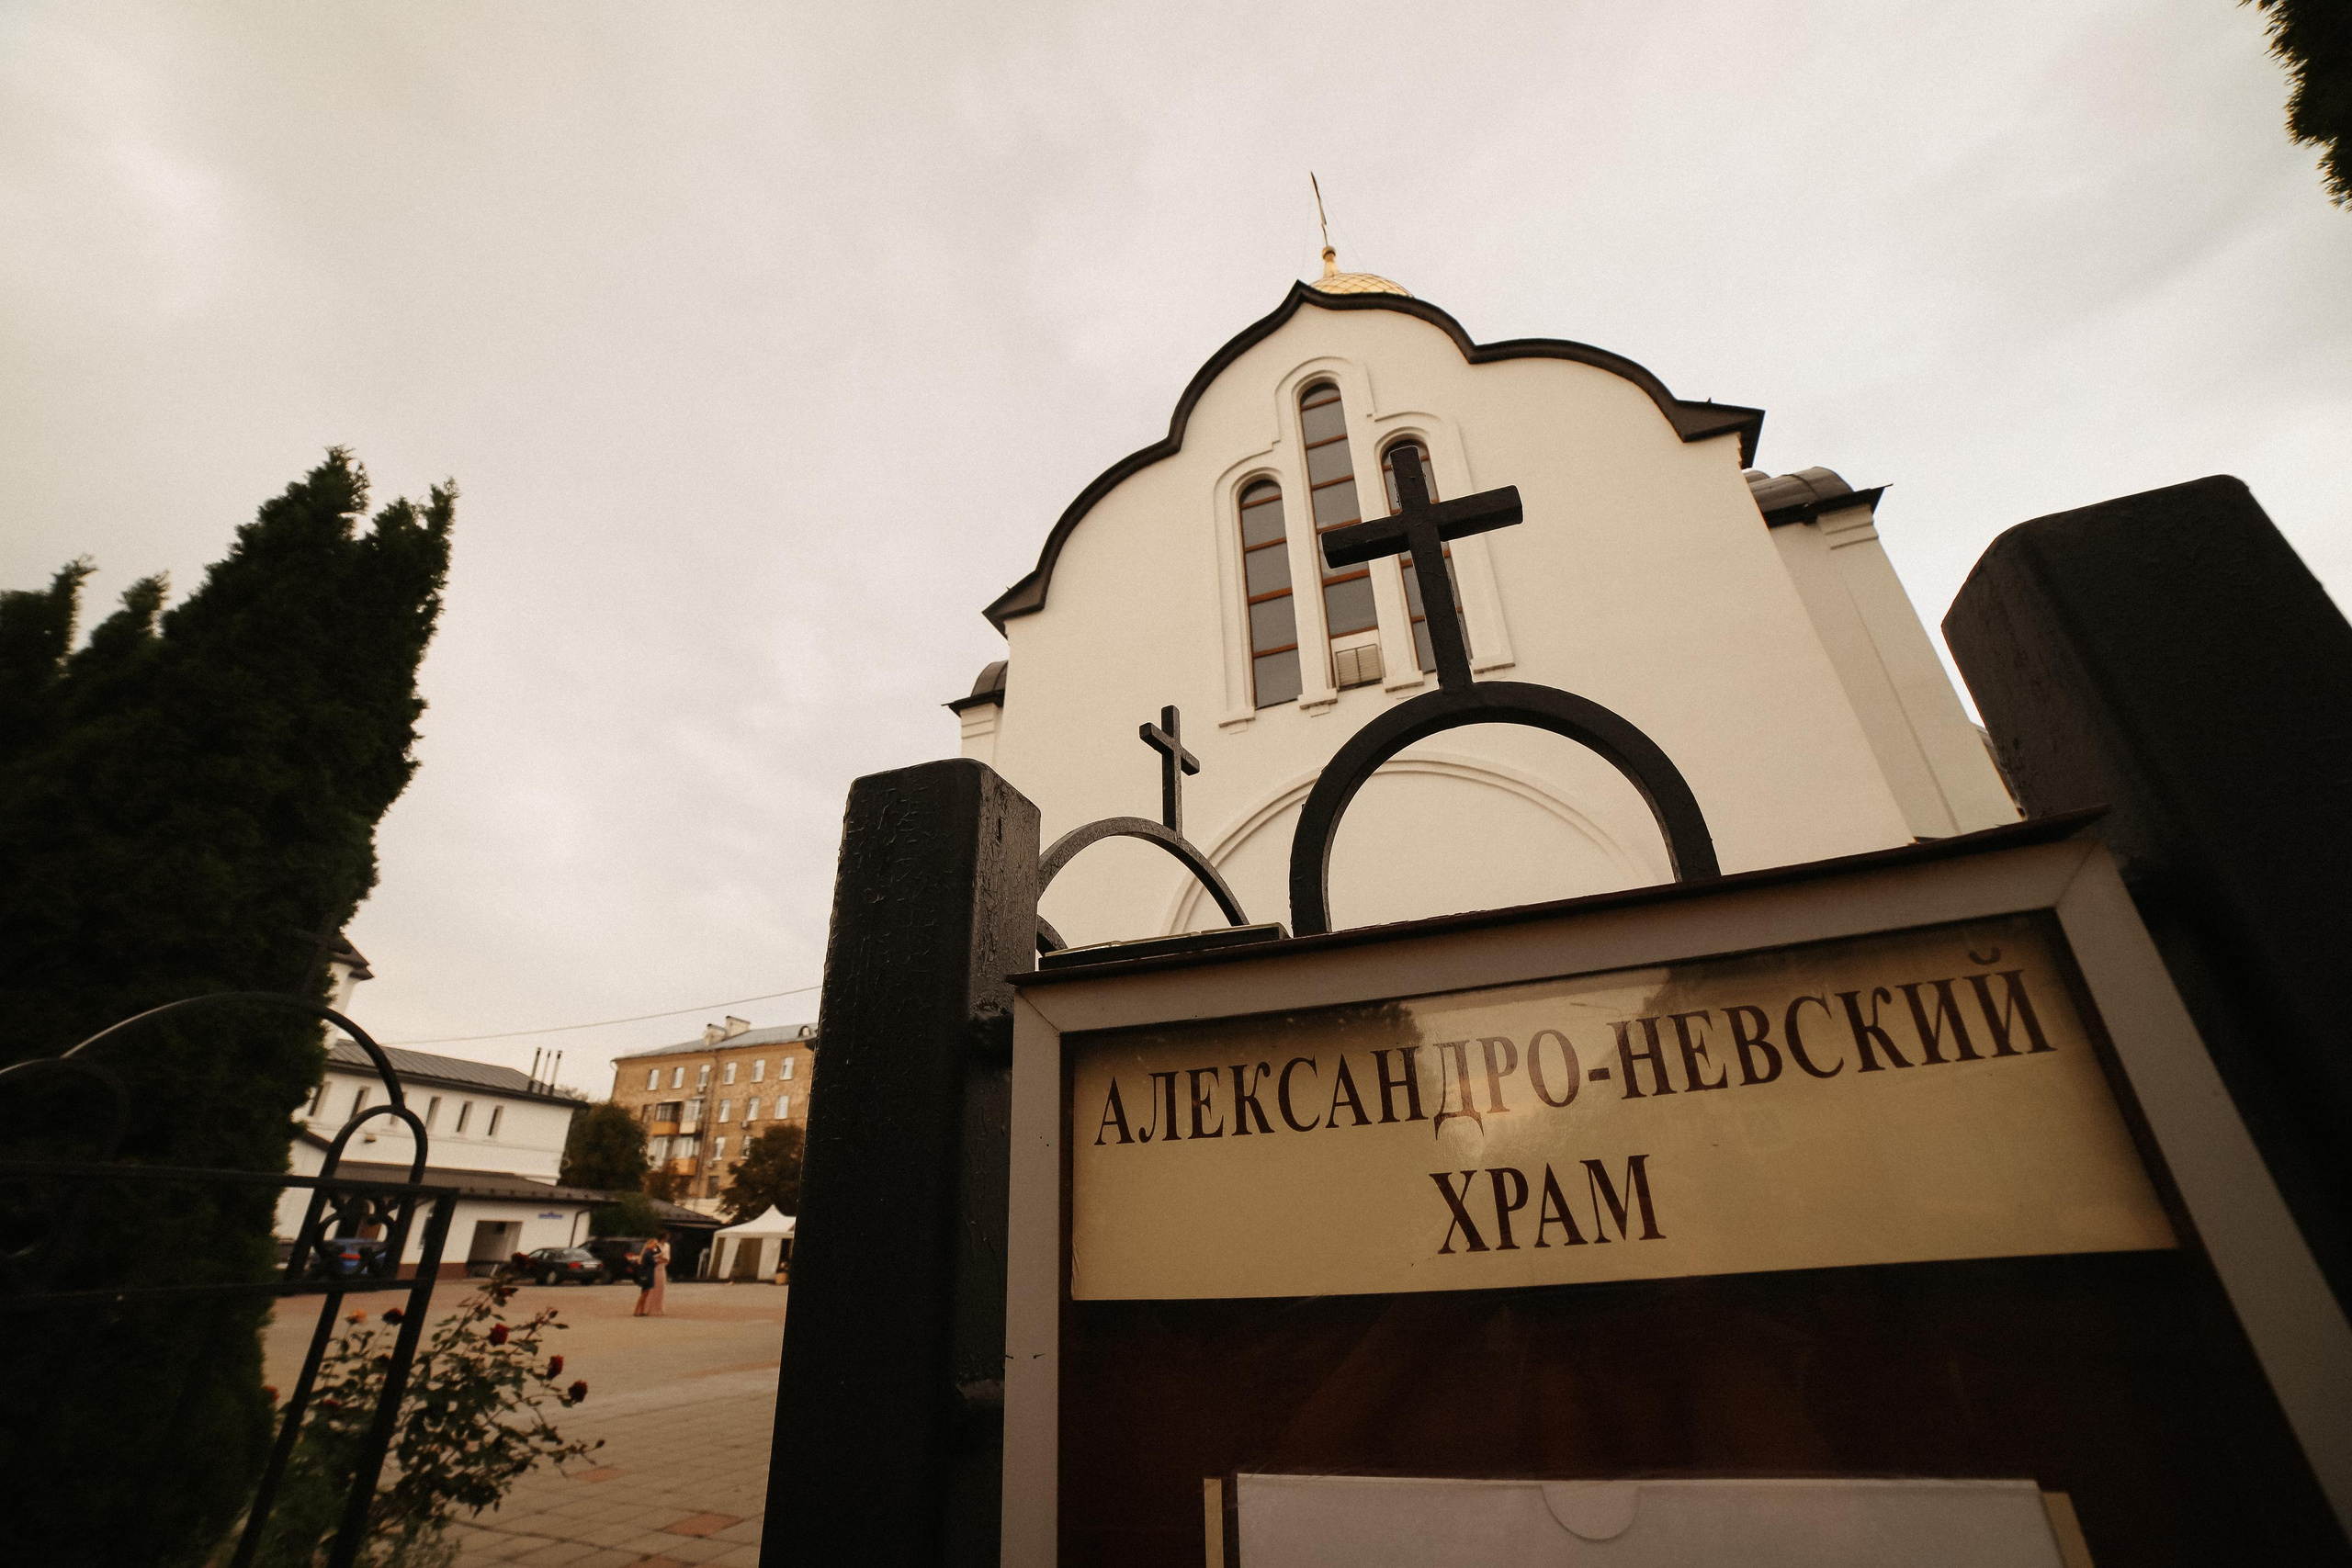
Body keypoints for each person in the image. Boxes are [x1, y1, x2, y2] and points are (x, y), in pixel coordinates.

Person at [631, 1231, 671, 1318]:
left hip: (650, 1273)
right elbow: (654, 1262)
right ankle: (637, 1310)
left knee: (645, 1293)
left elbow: (659, 1254)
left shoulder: (649, 1252)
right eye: (654, 1244)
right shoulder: (648, 1254)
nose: (655, 1246)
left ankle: (641, 1310)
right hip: (648, 1274)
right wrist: (661, 1260)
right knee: (645, 1293)